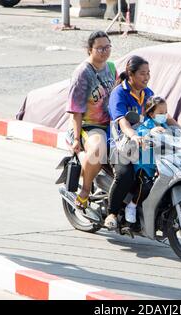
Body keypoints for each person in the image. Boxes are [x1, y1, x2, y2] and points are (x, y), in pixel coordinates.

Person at [105, 56, 180, 229]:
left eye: (148, 73)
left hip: (144, 145)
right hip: (120, 145)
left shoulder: (148, 93)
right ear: (130, 74)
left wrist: (180, 129)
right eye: (142, 74)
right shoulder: (119, 93)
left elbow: (162, 114)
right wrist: (133, 135)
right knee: (125, 175)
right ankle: (112, 213)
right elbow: (122, 120)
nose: (146, 77)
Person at [65, 30, 117, 210]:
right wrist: (77, 139)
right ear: (90, 50)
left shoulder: (111, 67)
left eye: (107, 47)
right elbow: (76, 110)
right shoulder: (82, 73)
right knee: (98, 149)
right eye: (100, 48)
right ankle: (85, 191)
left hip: (111, 125)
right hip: (89, 126)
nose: (105, 51)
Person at [124, 95, 169, 224]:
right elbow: (141, 135)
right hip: (144, 165)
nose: (164, 115)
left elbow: (172, 135)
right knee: (146, 186)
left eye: (165, 112)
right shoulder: (145, 125)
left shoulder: (164, 124)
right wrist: (151, 132)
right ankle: (131, 206)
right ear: (151, 113)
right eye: (161, 112)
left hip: (159, 165)